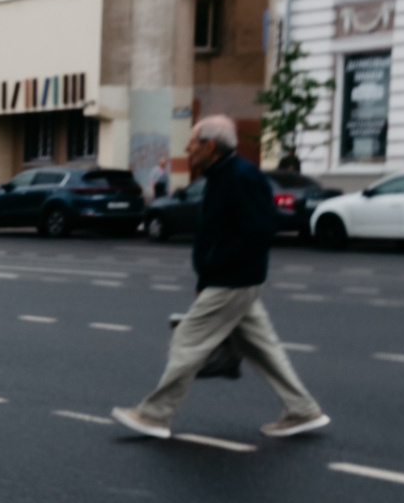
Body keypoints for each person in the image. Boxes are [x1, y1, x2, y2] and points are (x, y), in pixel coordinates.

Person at [113, 114, 329, 441]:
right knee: (262, 348)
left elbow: (258, 231)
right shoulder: (222, 174)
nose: (186, 147)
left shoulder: (241, 177)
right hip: (232, 279)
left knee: (188, 340)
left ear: (210, 145)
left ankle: (154, 415)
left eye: (192, 140)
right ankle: (303, 410)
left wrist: (215, 272)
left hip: (232, 279)